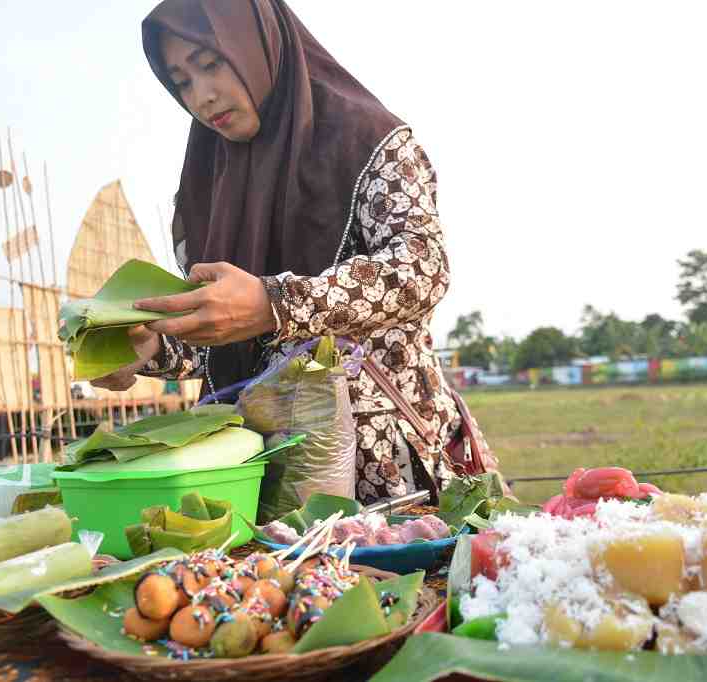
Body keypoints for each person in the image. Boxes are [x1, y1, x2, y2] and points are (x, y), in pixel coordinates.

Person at [94, 0, 490, 504]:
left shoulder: (370, 141)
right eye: (183, 81)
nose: (202, 96)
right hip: (252, 469)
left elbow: (422, 268)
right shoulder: (208, 178)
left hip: (381, 474)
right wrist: (154, 347)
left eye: (211, 64)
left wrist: (276, 303)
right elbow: (227, 334)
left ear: (255, 44)